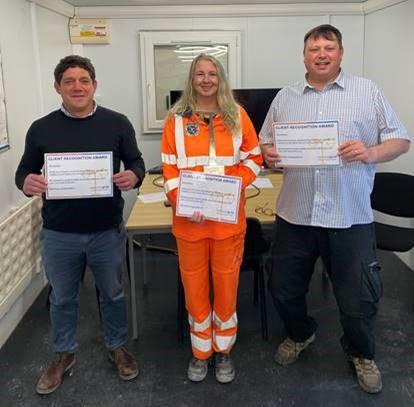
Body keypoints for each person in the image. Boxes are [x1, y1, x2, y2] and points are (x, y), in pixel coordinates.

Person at [259, 24, 410, 394]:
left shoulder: (367, 91)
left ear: (341, 53)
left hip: (349, 215)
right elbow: (264, 143)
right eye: (314, 48)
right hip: (295, 214)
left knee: (358, 298)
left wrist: (370, 152)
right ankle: (301, 333)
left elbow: (401, 140)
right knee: (283, 288)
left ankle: (361, 353)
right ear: (304, 56)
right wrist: (269, 155)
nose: (321, 54)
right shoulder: (285, 97)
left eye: (329, 47)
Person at [15, 55, 145, 395]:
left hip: (106, 230)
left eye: (84, 80)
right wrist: (26, 182)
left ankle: (117, 346)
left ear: (94, 85)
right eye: (69, 81)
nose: (77, 87)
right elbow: (23, 171)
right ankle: (63, 354)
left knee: (113, 294)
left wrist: (134, 175)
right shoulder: (41, 128)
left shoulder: (117, 123)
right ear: (57, 87)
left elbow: (136, 161)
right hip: (59, 233)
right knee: (62, 298)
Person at [161, 53, 262, 383]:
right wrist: (184, 201)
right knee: (194, 289)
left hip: (227, 223)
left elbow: (254, 159)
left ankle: (223, 350)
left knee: (227, 288)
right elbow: (169, 167)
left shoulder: (238, 116)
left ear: (221, 79)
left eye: (212, 74)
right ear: (191, 79)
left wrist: (233, 186)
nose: (206, 80)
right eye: (199, 74)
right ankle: (200, 352)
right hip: (190, 223)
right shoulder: (175, 119)